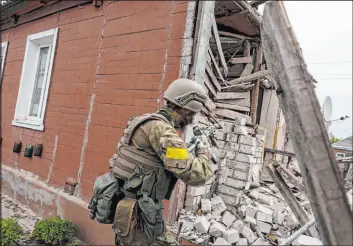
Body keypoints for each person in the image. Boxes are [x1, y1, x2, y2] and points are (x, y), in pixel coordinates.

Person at [109, 78, 214, 245]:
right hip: (141, 216)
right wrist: (204, 150)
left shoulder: (143, 120)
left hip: (128, 209)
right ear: (182, 108)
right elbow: (198, 175)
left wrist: (185, 150)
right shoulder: (162, 130)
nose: (191, 120)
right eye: (190, 114)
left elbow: (157, 157)